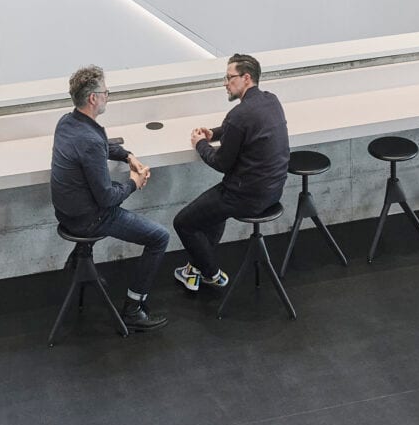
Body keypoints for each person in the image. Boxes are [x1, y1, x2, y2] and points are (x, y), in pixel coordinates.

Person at [50, 64, 169, 331]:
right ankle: (134, 308)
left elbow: (102, 144)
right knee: (159, 237)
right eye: (106, 92)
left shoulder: (67, 122)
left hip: (66, 214)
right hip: (89, 219)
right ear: (93, 98)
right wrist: (135, 183)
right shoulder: (90, 139)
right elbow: (106, 198)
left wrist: (128, 156)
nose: (107, 96)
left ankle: (80, 259)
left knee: (113, 186)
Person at [172, 52, 288, 295]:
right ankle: (194, 269)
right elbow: (239, 128)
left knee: (183, 222)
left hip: (243, 196)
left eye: (229, 77)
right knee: (213, 214)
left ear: (246, 78)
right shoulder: (271, 101)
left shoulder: (239, 115)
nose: (225, 83)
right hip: (273, 191)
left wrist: (199, 143)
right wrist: (213, 134)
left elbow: (221, 162)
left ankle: (212, 274)